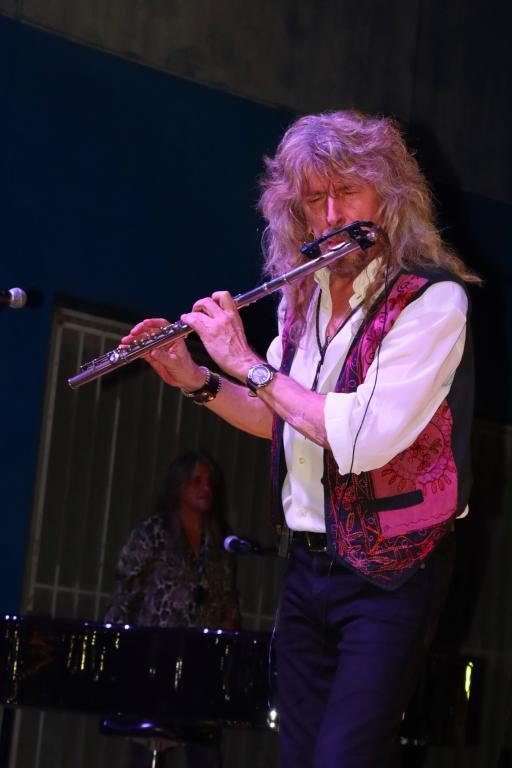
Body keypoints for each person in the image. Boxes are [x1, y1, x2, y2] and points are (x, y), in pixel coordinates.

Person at [121, 111, 480, 768]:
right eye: (315, 199)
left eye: (347, 192)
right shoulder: (302, 300)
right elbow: (283, 418)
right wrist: (196, 378)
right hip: (308, 569)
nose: (332, 214)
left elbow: (362, 438)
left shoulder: (431, 302)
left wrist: (245, 361)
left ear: (388, 197)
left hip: (392, 574)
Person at [105, 451, 240, 767]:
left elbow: (229, 597)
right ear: (178, 486)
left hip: (202, 669)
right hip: (155, 663)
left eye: (210, 482)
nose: (206, 488)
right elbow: (126, 592)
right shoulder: (154, 532)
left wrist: (227, 635)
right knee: (149, 752)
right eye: (197, 480)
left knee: (206, 755)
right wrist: (119, 652)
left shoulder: (219, 539)